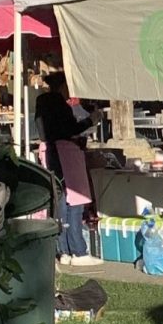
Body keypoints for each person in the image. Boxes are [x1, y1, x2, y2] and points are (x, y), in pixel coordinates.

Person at [35, 72, 100, 266]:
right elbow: (70, 129)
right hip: (65, 154)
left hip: (48, 152)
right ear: (63, 86)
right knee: (74, 201)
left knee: (60, 201)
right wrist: (91, 120)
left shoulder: (42, 103)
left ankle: (63, 250)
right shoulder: (58, 104)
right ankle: (79, 251)